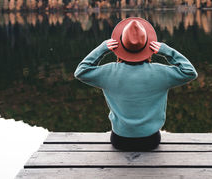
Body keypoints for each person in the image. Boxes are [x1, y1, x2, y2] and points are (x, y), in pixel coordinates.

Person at [74, 17, 197, 151]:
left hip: (120, 140)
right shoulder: (160, 72)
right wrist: (167, 51)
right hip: (150, 141)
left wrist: (102, 49)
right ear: (148, 47)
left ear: (119, 48)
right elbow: (190, 72)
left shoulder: (108, 71)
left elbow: (81, 71)